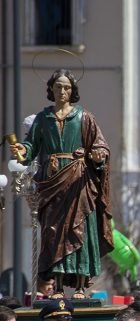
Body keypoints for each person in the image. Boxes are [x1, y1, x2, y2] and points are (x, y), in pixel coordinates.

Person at [7, 69, 113, 297]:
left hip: (79, 181)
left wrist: (97, 155)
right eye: (58, 87)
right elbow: (31, 146)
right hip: (51, 181)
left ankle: (82, 285)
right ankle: (56, 285)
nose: (62, 91)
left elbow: (100, 146)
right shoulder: (43, 118)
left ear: (73, 91)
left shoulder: (85, 117)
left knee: (80, 229)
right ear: (51, 90)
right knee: (54, 233)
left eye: (66, 87)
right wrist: (21, 150)